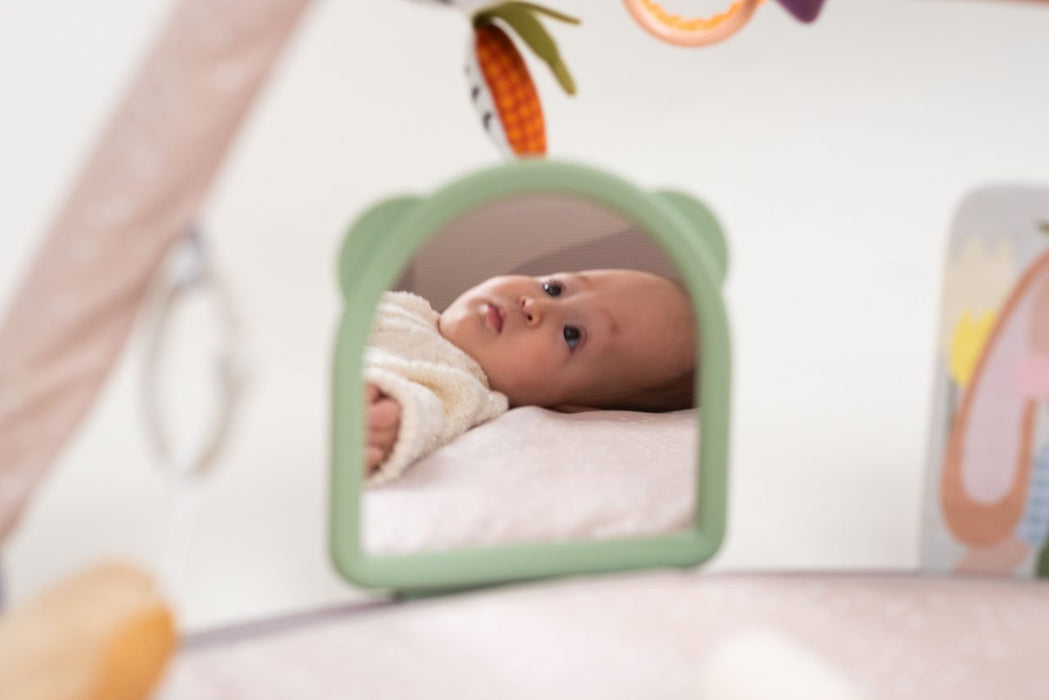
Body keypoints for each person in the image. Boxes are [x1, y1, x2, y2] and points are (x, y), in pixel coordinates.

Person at [363, 268, 696, 485]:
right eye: (554, 288)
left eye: (572, 335)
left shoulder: (466, 390)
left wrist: (388, 422)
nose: (535, 306)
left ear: (570, 405)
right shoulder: (412, 309)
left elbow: (428, 413)